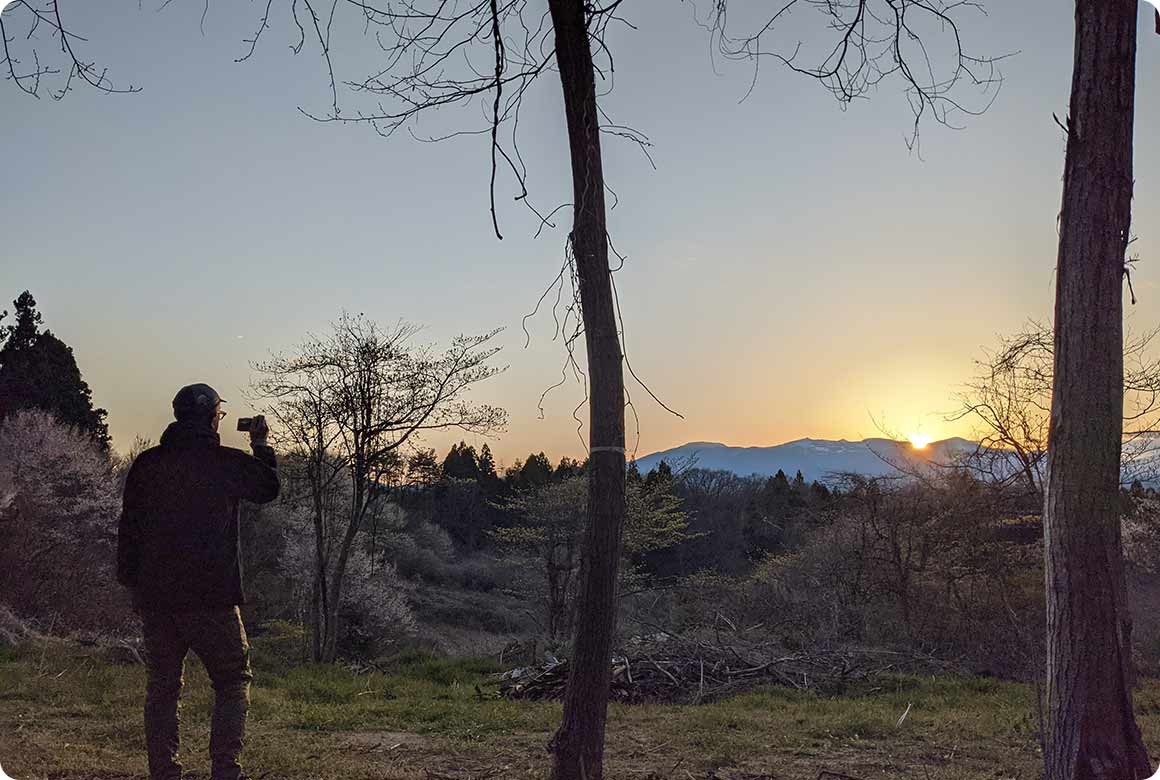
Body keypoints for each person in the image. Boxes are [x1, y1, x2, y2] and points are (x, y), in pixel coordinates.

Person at [116, 383, 280, 780]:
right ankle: (225, 772)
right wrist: (260, 444)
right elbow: (267, 488)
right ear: (212, 417)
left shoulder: (147, 464)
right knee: (231, 681)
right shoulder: (226, 462)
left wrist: (131, 584)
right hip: (212, 597)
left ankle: (165, 772)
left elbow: (129, 529)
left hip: (156, 599)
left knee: (163, 686)